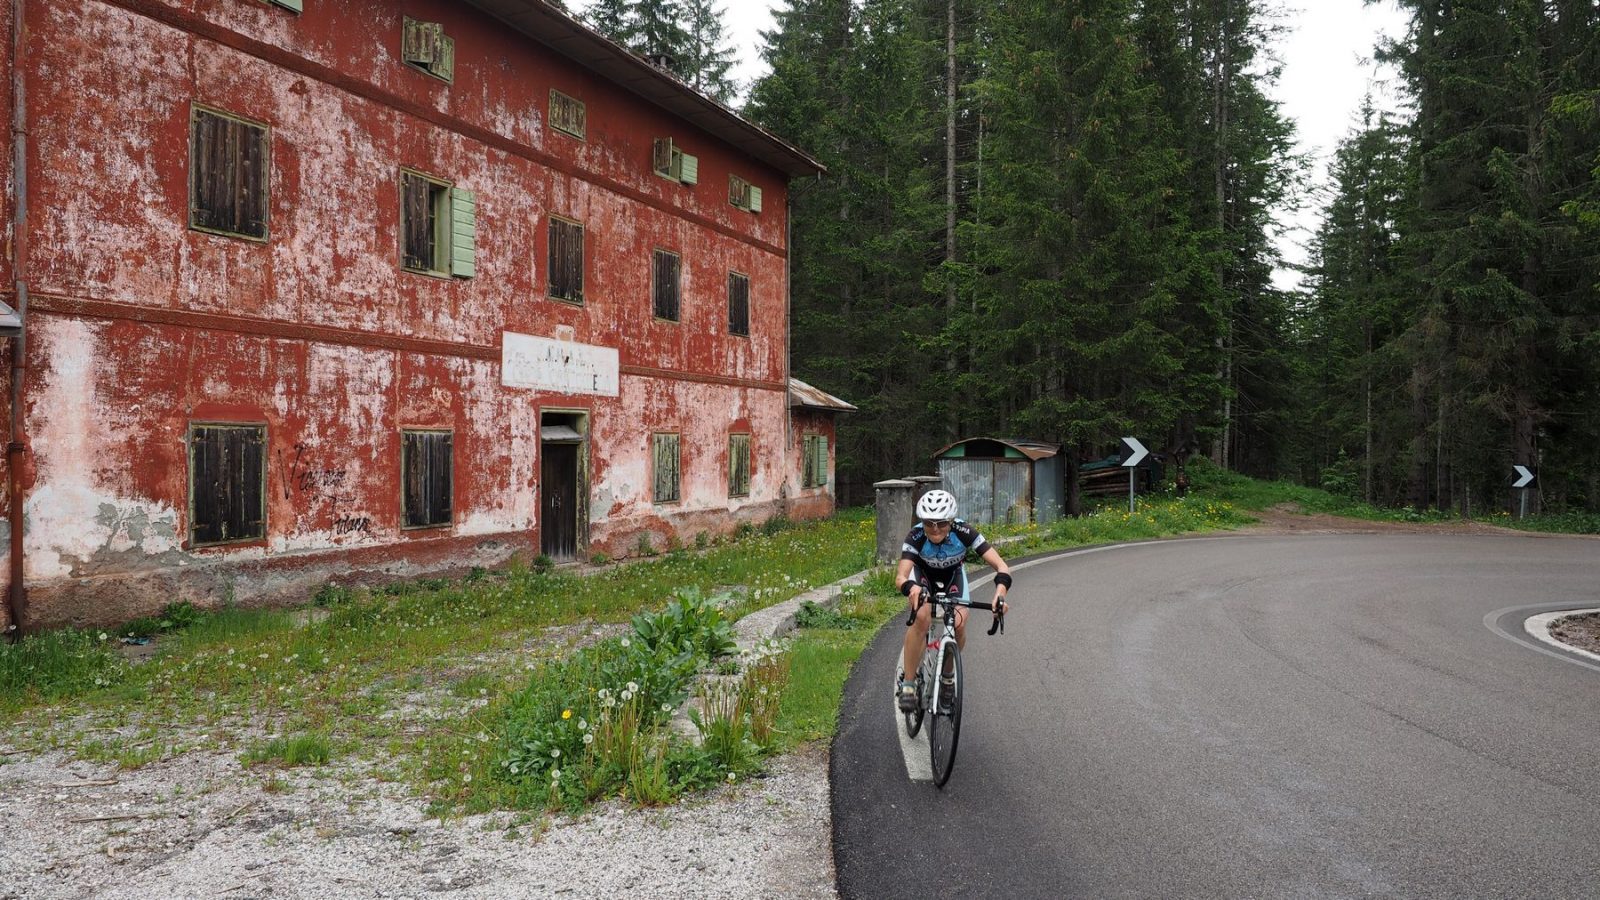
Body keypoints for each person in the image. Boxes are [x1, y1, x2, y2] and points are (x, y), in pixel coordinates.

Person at [895, 489, 1012, 712]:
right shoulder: (916, 536)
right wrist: (910, 587)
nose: (935, 529)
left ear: (951, 520)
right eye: (929, 523)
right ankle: (908, 684)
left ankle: (948, 677)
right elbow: (901, 576)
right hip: (922, 577)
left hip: (953, 577)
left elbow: (1001, 566)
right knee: (921, 617)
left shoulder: (964, 531)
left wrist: (1000, 593)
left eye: (941, 523)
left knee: (958, 624)